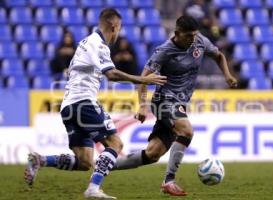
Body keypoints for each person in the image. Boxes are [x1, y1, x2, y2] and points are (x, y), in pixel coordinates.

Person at [24, 8, 166, 199]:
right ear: (114, 26)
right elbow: (112, 74)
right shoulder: (98, 45)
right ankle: (93, 189)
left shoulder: (85, 42)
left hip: (68, 107)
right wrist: (143, 81)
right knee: (115, 143)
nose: (118, 33)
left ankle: (40, 160)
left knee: (85, 161)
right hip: (84, 102)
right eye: (119, 27)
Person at [113, 15, 237, 196]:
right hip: (164, 100)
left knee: (152, 154)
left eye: (194, 35)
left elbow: (218, 55)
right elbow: (143, 78)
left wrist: (227, 75)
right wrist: (142, 105)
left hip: (179, 103)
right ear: (177, 33)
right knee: (186, 131)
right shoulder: (164, 51)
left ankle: (105, 165)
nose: (192, 39)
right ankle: (169, 181)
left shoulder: (200, 41)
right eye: (188, 36)